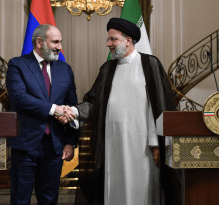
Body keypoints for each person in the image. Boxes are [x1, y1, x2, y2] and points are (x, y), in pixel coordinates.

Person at [57, 18, 181, 205]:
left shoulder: (149, 64)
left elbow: (160, 105)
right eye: (109, 40)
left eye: (113, 39)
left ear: (128, 40)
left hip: (143, 148)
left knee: (143, 192)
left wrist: (157, 145)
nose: (108, 44)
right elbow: (93, 103)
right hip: (112, 146)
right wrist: (73, 111)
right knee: (114, 190)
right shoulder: (107, 69)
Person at [6, 24, 78, 205]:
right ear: (39, 42)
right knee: (20, 199)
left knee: (49, 199)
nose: (60, 47)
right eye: (55, 42)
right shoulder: (18, 65)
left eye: (60, 42)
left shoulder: (65, 69)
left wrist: (70, 141)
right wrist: (55, 109)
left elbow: (72, 106)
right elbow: (20, 98)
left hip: (54, 147)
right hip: (25, 145)